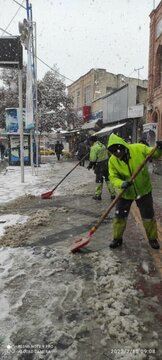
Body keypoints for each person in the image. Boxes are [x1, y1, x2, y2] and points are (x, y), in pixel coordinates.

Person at [107, 133, 162, 250]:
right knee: (119, 216)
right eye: (113, 153)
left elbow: (154, 153)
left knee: (148, 216)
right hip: (125, 193)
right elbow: (113, 177)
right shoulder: (112, 161)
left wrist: (160, 148)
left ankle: (153, 239)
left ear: (122, 146)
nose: (117, 154)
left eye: (117, 151)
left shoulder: (138, 148)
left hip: (143, 190)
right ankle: (117, 238)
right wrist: (121, 183)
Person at [87, 135, 116, 200]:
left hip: (99, 166)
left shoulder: (94, 148)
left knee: (99, 181)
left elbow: (93, 159)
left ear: (91, 141)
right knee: (108, 180)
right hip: (106, 164)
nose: (89, 143)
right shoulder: (102, 145)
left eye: (90, 141)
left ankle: (98, 195)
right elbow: (108, 154)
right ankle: (113, 194)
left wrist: (90, 166)